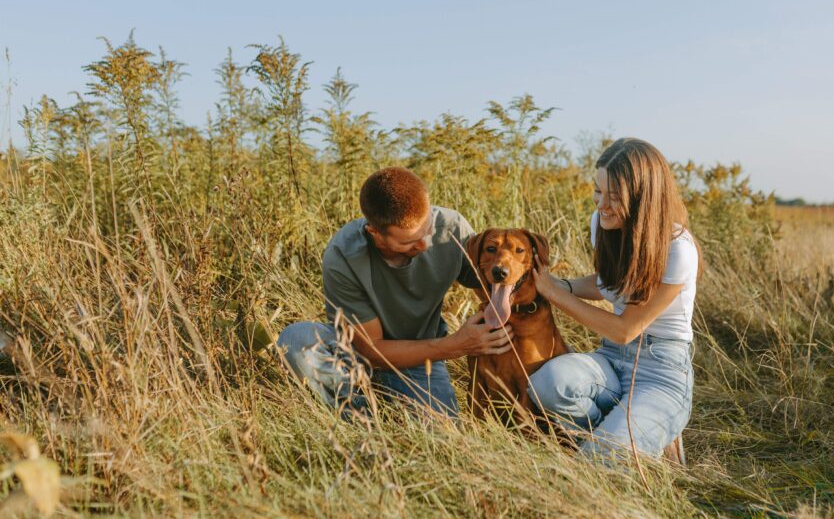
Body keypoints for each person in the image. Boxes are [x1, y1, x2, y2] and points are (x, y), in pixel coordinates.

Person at [277, 166, 514, 417]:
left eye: (427, 230)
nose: (423, 245)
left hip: (421, 359)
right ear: (375, 234)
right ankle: (360, 422)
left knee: (440, 439)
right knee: (296, 341)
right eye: (408, 242)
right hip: (354, 354)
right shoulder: (343, 255)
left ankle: (392, 415)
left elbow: (493, 282)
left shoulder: (451, 228)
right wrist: (456, 345)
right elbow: (373, 350)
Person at [528, 138, 701, 462]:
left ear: (643, 199)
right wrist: (559, 284)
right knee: (548, 385)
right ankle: (621, 438)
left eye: (615, 197)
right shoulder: (604, 224)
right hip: (612, 358)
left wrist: (553, 294)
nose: (602, 204)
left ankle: (632, 440)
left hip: (661, 371)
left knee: (605, 455)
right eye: (598, 191)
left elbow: (625, 329)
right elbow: (610, 284)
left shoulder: (677, 248)